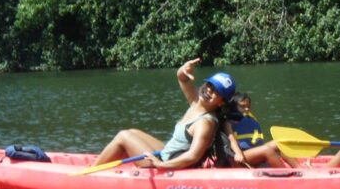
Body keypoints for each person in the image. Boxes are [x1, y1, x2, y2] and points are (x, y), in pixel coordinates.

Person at [90, 58, 236, 171]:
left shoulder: (205, 123)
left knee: (123, 136)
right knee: (132, 132)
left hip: (167, 163)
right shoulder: (197, 102)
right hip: (166, 153)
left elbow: (193, 156)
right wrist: (183, 70)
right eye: (209, 85)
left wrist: (160, 165)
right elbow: (183, 79)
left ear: (221, 102)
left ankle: (91, 172)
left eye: (216, 91)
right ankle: (101, 166)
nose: (209, 90)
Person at [222, 92, 298, 169]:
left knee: (279, 143)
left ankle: (300, 169)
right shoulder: (228, 123)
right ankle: (285, 174)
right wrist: (238, 154)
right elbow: (231, 141)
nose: (247, 109)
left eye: (248, 106)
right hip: (238, 158)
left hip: (252, 153)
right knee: (266, 150)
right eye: (242, 106)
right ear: (233, 107)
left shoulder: (249, 118)